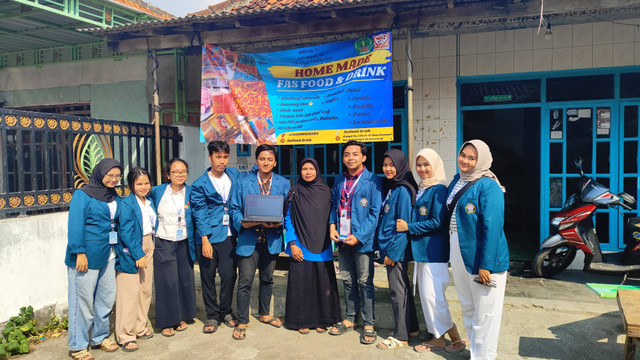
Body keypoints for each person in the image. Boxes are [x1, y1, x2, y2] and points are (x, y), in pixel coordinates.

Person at [396, 148, 465, 353]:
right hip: (423, 251)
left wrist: (410, 227)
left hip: (434, 252)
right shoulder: (424, 188)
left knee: (434, 297)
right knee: (428, 297)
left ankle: (454, 338)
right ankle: (439, 337)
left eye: (426, 165)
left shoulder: (439, 189)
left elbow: (438, 221)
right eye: (419, 165)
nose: (422, 169)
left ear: (435, 165)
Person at [447, 139, 509, 360]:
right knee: (468, 307)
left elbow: (492, 227)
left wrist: (486, 265)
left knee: (486, 314)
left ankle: (485, 357)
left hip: (483, 257)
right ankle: (477, 353)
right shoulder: (457, 180)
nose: (465, 160)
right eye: (463, 154)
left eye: (472, 158)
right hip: (460, 251)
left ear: (481, 160)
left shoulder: (489, 186)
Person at [230, 144, 290, 340]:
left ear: (275, 162)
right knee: (245, 280)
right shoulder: (243, 180)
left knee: (267, 278)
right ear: (256, 160)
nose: (266, 162)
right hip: (249, 238)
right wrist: (243, 222)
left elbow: (286, 211)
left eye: (270, 159)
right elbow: (234, 207)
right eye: (262, 159)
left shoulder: (283, 183)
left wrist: (278, 224)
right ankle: (242, 320)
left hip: (271, 238)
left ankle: (264, 313)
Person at [65, 158, 122, 360]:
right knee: (83, 301)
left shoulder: (113, 196)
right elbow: (75, 225)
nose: (114, 179)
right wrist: (79, 251)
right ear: (100, 173)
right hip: (85, 256)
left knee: (105, 298)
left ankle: (99, 337)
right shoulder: (83, 195)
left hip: (108, 254)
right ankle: (78, 345)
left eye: (117, 176)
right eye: (110, 175)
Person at [328, 140, 382, 345]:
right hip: (342, 239)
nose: (350, 158)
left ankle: (369, 322)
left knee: (364, 281)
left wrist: (358, 236)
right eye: (347, 154)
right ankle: (350, 318)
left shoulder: (373, 181)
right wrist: (332, 226)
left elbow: (375, 213)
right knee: (347, 279)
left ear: (364, 157)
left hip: (362, 241)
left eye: (355, 154)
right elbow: (334, 205)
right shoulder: (339, 179)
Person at [283, 158, 341, 334]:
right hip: (301, 245)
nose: (308, 172)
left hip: (322, 245)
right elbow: (288, 219)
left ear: (317, 171)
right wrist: (292, 244)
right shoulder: (295, 192)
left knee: (323, 285)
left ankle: (322, 320)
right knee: (302, 285)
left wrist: (333, 230)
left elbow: (333, 214)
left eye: (311, 169)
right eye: (304, 168)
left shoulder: (326, 192)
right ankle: (302, 321)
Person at [191, 141, 241, 333]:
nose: (222, 161)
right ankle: (212, 316)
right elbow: (199, 213)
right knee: (208, 276)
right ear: (210, 157)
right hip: (209, 237)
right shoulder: (199, 184)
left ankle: (226, 311)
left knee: (229, 275)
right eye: (218, 157)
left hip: (230, 235)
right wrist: (204, 239)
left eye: (225, 157)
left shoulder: (234, 175)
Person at [375, 149, 419, 350]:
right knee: (404, 289)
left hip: (396, 251)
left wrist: (392, 254)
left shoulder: (403, 190)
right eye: (385, 165)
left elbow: (404, 226)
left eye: (392, 165)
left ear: (400, 166)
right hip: (391, 249)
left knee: (397, 292)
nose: (388, 169)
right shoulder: (394, 187)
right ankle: (411, 329)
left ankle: (400, 336)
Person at [150, 158, 197, 337]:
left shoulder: (191, 192)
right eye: (175, 172)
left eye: (183, 171)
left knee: (185, 280)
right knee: (167, 282)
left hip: (185, 241)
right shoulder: (157, 191)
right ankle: (167, 321)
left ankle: (183, 315)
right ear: (168, 174)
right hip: (164, 241)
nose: (180, 174)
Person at [114, 167, 156, 352]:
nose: (143, 186)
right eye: (139, 183)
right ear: (132, 184)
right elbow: (125, 230)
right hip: (132, 248)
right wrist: (137, 253)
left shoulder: (149, 202)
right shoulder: (127, 203)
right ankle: (125, 335)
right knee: (129, 293)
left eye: (146, 183)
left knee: (145, 290)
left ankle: (139, 326)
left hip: (149, 244)